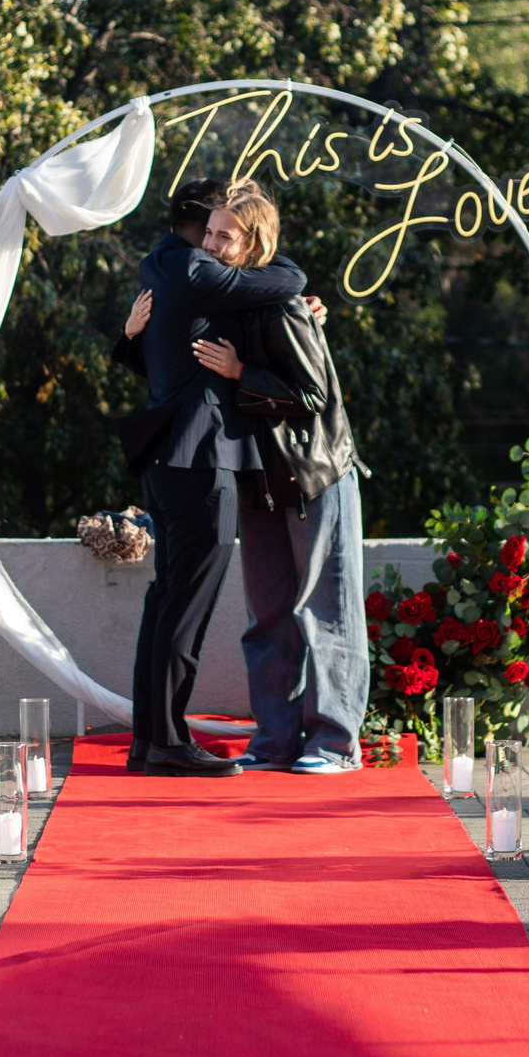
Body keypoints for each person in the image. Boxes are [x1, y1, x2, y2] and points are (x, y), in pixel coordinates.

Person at [115, 178, 309, 777]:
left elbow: (144, 348)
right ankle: (170, 743)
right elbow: (290, 278)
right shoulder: (196, 271)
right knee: (186, 607)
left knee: (166, 600)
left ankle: (151, 740)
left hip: (166, 461)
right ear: (203, 226)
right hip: (200, 460)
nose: (218, 241)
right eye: (217, 228)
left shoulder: (157, 265)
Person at [184, 184, 366, 772]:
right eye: (207, 233)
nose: (209, 244)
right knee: (268, 616)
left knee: (326, 612)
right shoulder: (226, 301)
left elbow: (312, 394)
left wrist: (242, 373)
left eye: (223, 236)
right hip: (261, 481)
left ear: (252, 243)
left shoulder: (285, 305)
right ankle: (276, 741)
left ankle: (335, 744)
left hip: (315, 478)